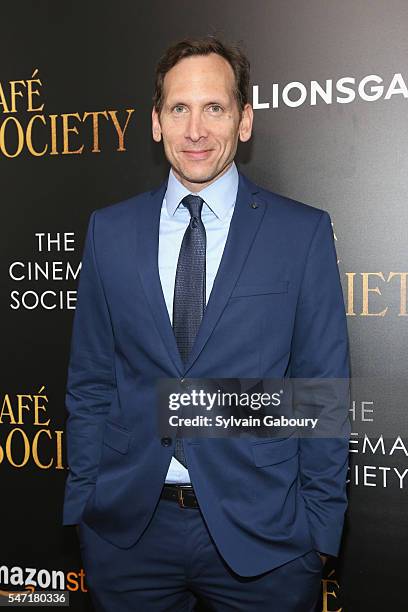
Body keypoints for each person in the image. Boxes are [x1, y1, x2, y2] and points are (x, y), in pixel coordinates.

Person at [62, 35, 351, 612]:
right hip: (128, 534)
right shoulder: (110, 231)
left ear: (244, 121)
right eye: (179, 108)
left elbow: (322, 390)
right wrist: (84, 501)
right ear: (155, 122)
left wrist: (318, 533)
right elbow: (91, 379)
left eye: (214, 108)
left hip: (265, 538)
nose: (195, 129)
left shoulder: (301, 233)